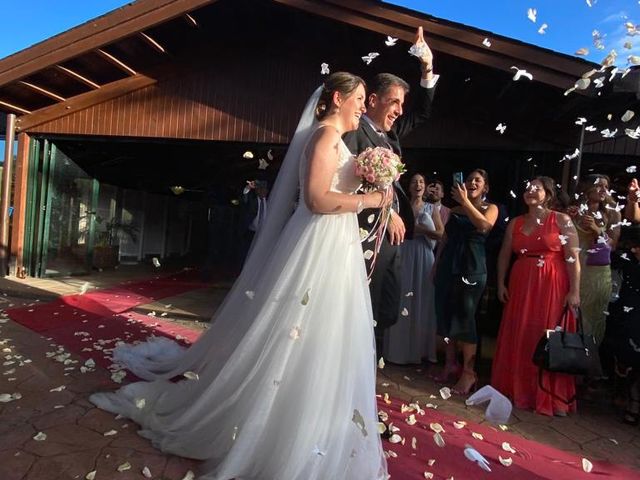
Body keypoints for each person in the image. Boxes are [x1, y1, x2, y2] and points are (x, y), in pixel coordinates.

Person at [89, 72, 389, 480]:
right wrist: (367, 198)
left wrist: (378, 178)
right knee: (297, 330)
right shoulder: (323, 138)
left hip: (338, 246)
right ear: (337, 98)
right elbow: (317, 199)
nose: (362, 107)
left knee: (325, 332)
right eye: (358, 100)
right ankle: (275, 428)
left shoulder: (337, 141)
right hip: (318, 244)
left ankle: (315, 421)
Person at [343, 26, 439, 354]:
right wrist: (386, 211)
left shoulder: (391, 136)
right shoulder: (354, 135)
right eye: (394, 102)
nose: (399, 110)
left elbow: (423, 113)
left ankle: (368, 363)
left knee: (387, 309)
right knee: (367, 309)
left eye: (402, 104)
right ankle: (357, 366)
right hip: (367, 235)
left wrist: (427, 67)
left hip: (394, 237)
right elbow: (346, 186)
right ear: (372, 100)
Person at [491, 177, 581, 417]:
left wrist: (574, 291)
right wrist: (500, 282)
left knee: (546, 336)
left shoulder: (562, 220)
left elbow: (573, 256)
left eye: (536, 188)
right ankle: (516, 389)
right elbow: (504, 254)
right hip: (521, 283)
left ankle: (551, 396)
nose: (530, 191)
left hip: (552, 284)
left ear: (548, 194)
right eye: (528, 187)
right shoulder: (515, 223)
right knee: (520, 333)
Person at [433, 169, 498, 394]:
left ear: (485, 187)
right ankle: (450, 363)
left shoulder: (490, 208)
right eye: (469, 179)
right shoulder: (455, 209)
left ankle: (469, 373)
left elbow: (484, 226)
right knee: (446, 312)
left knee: (465, 316)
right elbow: (445, 237)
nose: (471, 183)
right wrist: (436, 263)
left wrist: (466, 203)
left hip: (471, 266)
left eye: (477, 180)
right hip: (448, 263)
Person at [384, 173, 443, 365]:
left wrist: (421, 230)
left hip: (423, 254)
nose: (418, 184)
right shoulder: (400, 205)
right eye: (414, 182)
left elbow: (440, 233)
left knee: (421, 299)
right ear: (408, 187)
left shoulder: (431, 208)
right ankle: (398, 350)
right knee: (400, 297)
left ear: (425, 187)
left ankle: (418, 350)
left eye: (421, 181)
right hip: (404, 250)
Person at [569, 174, 621, 346]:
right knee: (571, 317)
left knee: (594, 320)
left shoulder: (611, 213)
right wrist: (567, 217)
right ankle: (566, 359)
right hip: (574, 270)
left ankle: (588, 362)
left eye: (606, 187)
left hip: (597, 275)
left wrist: (597, 230)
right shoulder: (572, 210)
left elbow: (612, 245)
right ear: (586, 188)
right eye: (599, 186)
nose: (604, 190)